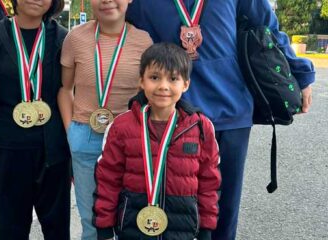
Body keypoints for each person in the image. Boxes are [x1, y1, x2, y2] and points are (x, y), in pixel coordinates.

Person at [126, 1, 315, 239]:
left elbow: (267, 27)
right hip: (173, 113)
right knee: (171, 204)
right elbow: (117, 25)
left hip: (231, 110)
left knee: (223, 209)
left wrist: (301, 73)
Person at [0, 0, 71, 239]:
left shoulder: (63, 39)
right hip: (7, 149)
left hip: (53, 151)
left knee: (58, 228)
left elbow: (71, 91)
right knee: (11, 228)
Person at [93, 43, 221, 240]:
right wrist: (104, 228)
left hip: (182, 230)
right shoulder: (121, 127)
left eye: (173, 78)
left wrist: (205, 230)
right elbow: (108, 180)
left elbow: (209, 183)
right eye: (154, 77)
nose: (163, 86)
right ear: (141, 81)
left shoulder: (201, 128)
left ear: (185, 84)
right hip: (132, 227)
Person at [58, 0, 153, 239]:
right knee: (91, 221)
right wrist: (71, 132)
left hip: (129, 143)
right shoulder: (75, 38)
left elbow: (151, 94)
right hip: (85, 136)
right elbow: (65, 89)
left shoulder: (144, 41)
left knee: (128, 218)